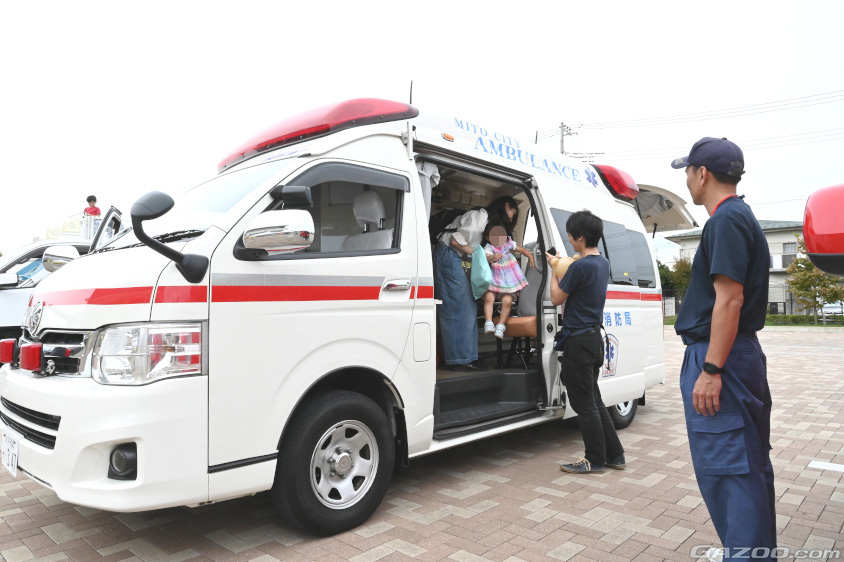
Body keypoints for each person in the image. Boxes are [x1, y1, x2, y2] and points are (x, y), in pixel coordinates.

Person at [670, 137, 776, 560]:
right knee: (748, 466)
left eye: (687, 172)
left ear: (702, 174)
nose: (686, 180)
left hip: (721, 357)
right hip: (738, 353)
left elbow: (729, 300)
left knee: (730, 471)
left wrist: (711, 369)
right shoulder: (740, 216)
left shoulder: (725, 220)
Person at [546, 210, 625, 474]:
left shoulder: (579, 267)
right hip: (594, 339)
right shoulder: (602, 263)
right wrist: (561, 262)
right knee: (594, 400)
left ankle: (595, 459)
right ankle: (615, 455)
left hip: (578, 343)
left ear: (580, 237)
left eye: (570, 236)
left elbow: (556, 298)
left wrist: (553, 270)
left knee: (584, 403)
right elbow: (575, 264)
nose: (569, 240)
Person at [433, 196, 519, 371]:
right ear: (506, 206)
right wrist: (482, 256)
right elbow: (455, 241)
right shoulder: (480, 216)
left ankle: (465, 357)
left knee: (463, 307)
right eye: (513, 214)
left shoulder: (487, 223)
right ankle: (460, 360)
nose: (511, 220)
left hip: (452, 257)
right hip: (448, 254)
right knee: (460, 307)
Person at [483, 224, 535, 339]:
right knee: (489, 298)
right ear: (488, 238)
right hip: (495, 279)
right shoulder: (489, 247)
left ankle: (501, 326)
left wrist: (531, 256)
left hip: (508, 280)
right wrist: (492, 257)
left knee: (507, 301)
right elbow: (486, 256)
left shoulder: (509, 244)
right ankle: (488, 322)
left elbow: (522, 250)